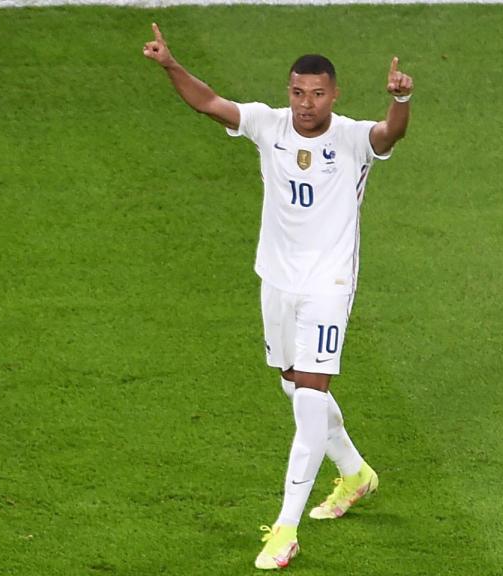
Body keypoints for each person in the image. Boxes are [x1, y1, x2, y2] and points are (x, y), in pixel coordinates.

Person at [143, 22, 413, 570]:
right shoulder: (270, 126)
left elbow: (390, 134)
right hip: (276, 279)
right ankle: (357, 475)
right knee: (293, 387)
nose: (305, 103)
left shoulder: (352, 138)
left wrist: (401, 100)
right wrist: (171, 64)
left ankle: (286, 527)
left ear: (334, 95)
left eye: (316, 94)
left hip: (329, 285)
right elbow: (210, 103)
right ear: (287, 91)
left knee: (311, 395)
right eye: (297, 92)